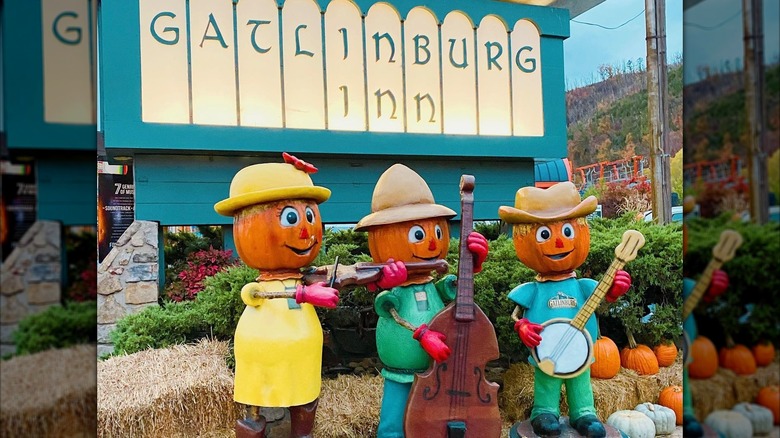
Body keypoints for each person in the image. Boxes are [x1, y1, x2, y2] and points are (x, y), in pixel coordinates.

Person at [354, 164, 489, 438]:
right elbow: (393, 314)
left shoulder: (434, 286)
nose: (430, 244)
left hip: (438, 375)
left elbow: (457, 296)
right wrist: (422, 332)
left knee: (430, 427)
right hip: (400, 373)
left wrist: (471, 267)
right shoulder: (394, 292)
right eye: (418, 234)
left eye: (436, 233)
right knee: (392, 426)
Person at [214, 153, 340, 438]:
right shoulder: (262, 287)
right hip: (262, 347)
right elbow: (254, 292)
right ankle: (254, 425)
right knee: (256, 399)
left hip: (304, 348)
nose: (306, 230)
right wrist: (305, 293)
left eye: (309, 215)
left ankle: (302, 433)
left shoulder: (308, 277)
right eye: (291, 217)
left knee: (306, 394)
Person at [498, 182, 631, 438]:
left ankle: (584, 413)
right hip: (545, 352)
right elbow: (515, 314)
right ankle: (544, 411)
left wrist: (615, 290)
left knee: (580, 382)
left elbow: (605, 297)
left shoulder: (581, 286)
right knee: (547, 381)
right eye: (544, 235)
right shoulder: (534, 290)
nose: (559, 241)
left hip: (581, 350)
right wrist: (522, 325)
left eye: (567, 230)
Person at [681, 196, 729, 437]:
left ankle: (687, 411)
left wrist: (711, 289)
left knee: (685, 369)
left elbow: (703, 295)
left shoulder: (687, 284)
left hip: (687, 335)